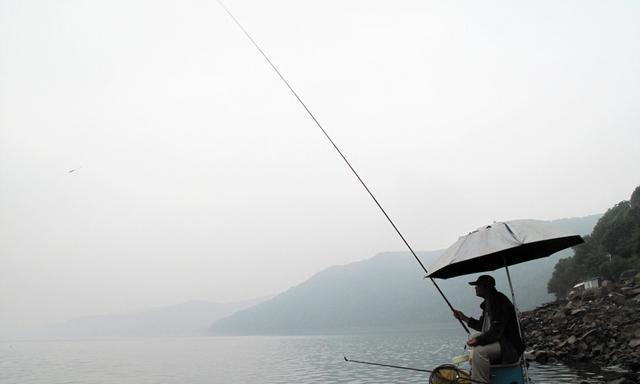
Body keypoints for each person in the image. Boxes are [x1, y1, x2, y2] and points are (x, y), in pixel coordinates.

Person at [452, 275, 525, 384]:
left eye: (477, 285)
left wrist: (479, 341)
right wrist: (463, 317)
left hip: (509, 346)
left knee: (479, 352)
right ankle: (479, 372)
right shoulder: (489, 302)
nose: (475, 288)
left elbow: (496, 331)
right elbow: (482, 326)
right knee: (474, 336)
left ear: (486, 287)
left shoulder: (498, 302)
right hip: (501, 341)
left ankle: (480, 382)